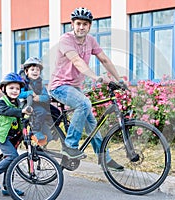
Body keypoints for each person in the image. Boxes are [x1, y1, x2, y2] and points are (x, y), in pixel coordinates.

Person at [48, 7, 124, 170]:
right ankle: (70, 146)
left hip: (75, 87)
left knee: (92, 123)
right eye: (78, 24)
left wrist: (120, 80)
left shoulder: (90, 40)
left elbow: (104, 59)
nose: (81, 27)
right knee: (84, 104)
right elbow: (77, 61)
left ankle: (104, 158)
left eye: (85, 24)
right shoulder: (65, 40)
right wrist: (95, 77)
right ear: (72, 24)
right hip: (59, 86)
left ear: (89, 26)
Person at [0, 72, 31, 196]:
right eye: (11, 88)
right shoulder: (2, 102)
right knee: (13, 157)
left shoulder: (18, 103)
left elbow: (19, 115)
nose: (15, 91)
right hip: (1, 135)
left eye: (17, 88)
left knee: (11, 160)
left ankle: (7, 187)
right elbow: (6, 111)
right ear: (4, 88)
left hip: (12, 136)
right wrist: (21, 111)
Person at [19, 57, 53, 146]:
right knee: (41, 111)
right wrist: (29, 93)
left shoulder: (40, 84)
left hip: (38, 104)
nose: (35, 71)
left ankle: (45, 138)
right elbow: (19, 94)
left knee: (53, 113)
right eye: (32, 69)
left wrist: (39, 98)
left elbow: (47, 97)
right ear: (26, 72)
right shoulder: (23, 83)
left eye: (37, 70)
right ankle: (35, 131)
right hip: (26, 104)